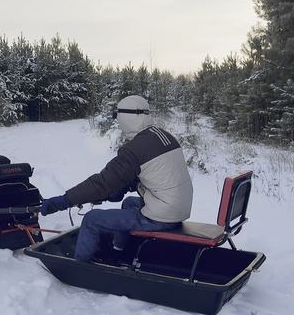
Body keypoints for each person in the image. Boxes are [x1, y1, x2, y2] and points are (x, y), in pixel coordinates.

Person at [40, 95, 193, 262]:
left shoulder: (135, 148)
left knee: (91, 220)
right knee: (129, 203)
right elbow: (157, 174)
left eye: (118, 118)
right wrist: (125, 186)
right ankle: (119, 249)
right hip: (178, 208)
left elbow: (101, 184)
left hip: (162, 216)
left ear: (125, 118)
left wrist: (65, 200)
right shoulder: (162, 136)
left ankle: (80, 265)